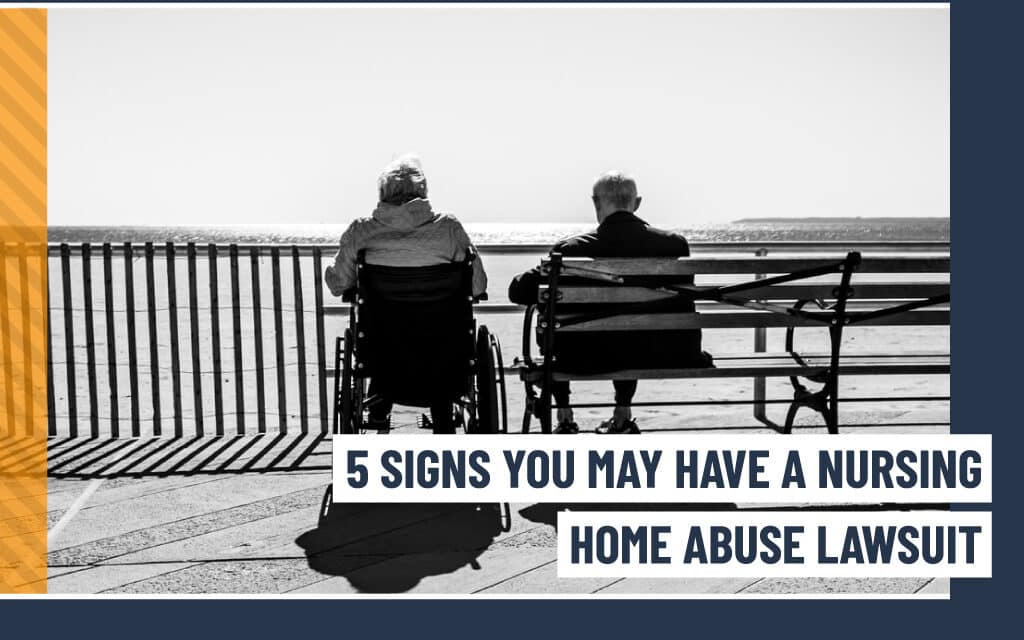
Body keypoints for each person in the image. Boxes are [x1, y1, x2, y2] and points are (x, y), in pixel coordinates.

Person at [508, 170, 711, 434]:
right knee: (633, 328)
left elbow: (518, 291)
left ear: (596, 203)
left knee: (552, 316)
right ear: (636, 203)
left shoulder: (570, 251)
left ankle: (564, 415)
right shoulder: (674, 246)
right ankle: (622, 412)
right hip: (663, 353)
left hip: (582, 357)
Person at [325, 155, 487, 433]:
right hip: (444, 348)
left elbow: (338, 283)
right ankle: (443, 413)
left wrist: (332, 272)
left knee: (386, 331)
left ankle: (379, 408)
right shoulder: (449, 228)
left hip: (383, 350)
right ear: (423, 192)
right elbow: (477, 286)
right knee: (435, 335)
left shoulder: (361, 231)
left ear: (382, 194)